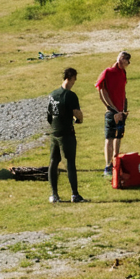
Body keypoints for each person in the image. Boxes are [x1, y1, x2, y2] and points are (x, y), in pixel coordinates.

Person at [47, 67, 86, 203]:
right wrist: (79, 119)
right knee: (70, 163)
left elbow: (49, 116)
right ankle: (75, 194)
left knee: (53, 162)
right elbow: (77, 114)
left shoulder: (52, 94)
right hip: (66, 134)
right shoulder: (70, 95)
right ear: (72, 78)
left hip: (54, 132)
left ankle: (54, 194)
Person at [94, 51, 131, 177]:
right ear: (118, 58)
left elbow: (123, 92)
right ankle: (108, 165)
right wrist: (111, 108)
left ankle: (116, 161)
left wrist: (124, 110)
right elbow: (101, 90)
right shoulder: (108, 72)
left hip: (121, 111)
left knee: (118, 137)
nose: (123, 62)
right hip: (111, 112)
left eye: (126, 60)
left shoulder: (123, 73)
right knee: (109, 138)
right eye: (122, 59)